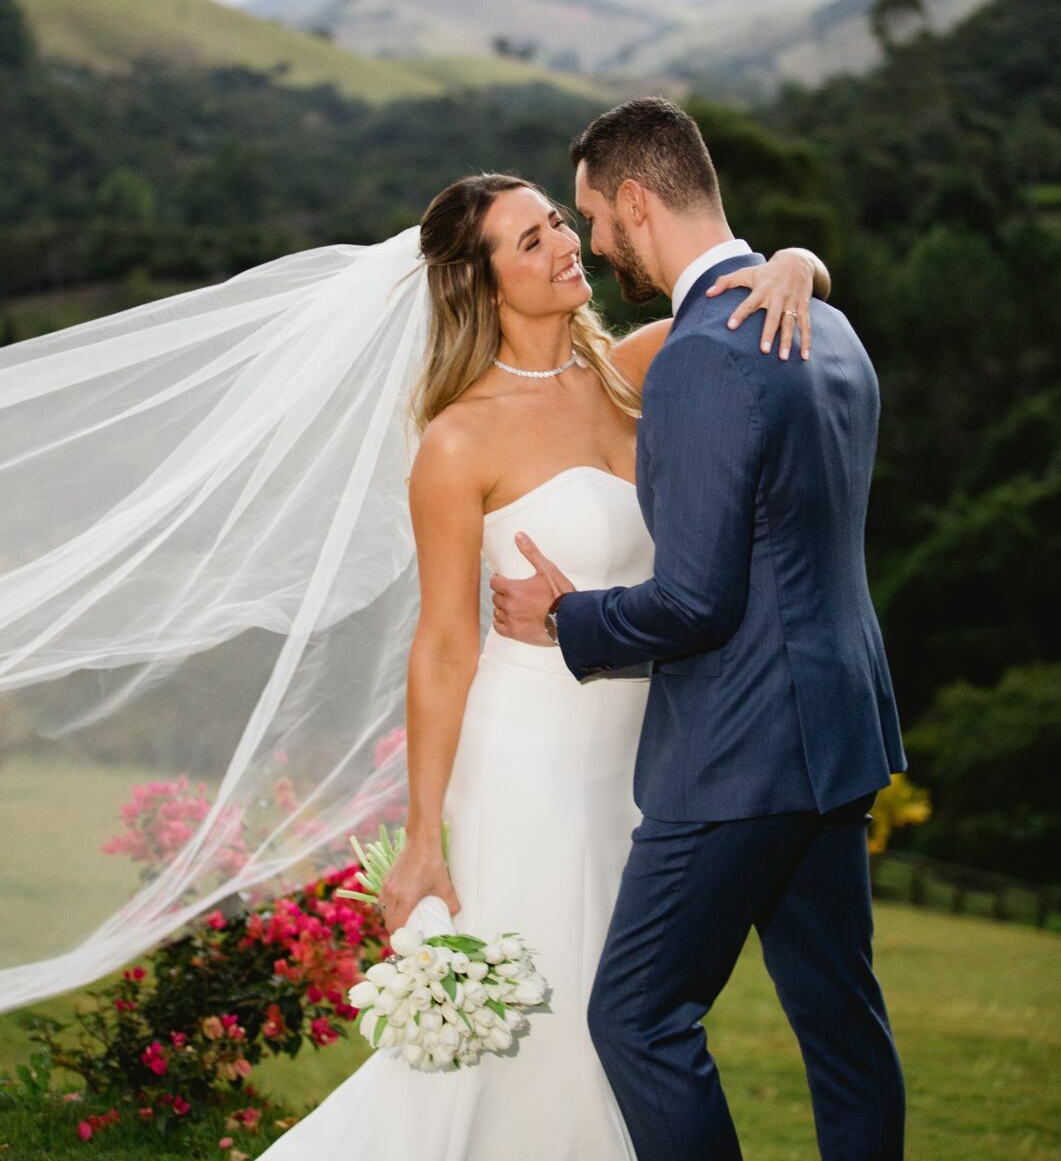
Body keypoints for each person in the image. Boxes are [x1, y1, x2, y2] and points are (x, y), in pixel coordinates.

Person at [257, 157, 828, 1160]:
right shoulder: (456, 440)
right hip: (527, 765)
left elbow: (786, 294)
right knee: (546, 1031)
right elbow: (442, 648)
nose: (568, 243)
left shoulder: (645, 364)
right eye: (532, 239)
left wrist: (793, 260)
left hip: (646, 769)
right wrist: (423, 834)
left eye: (561, 222)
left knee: (628, 1022)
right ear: (481, 283)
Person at [491, 96, 907, 1160]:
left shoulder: (704, 357)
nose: (590, 240)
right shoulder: (825, 322)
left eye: (590, 215)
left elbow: (695, 601)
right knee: (843, 1031)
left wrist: (564, 616)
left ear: (635, 200)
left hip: (736, 757)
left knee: (634, 1015)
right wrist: (800, 260)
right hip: (840, 733)